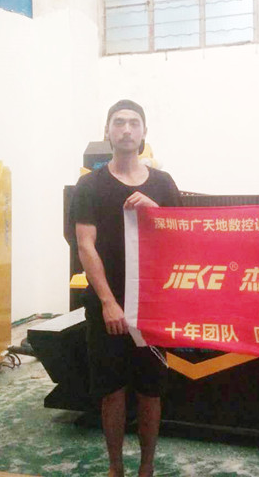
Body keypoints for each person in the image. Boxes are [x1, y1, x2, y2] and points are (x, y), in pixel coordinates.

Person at [72, 99, 180, 477]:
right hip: (108, 307)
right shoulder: (89, 186)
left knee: (151, 390)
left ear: (144, 132)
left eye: (134, 123)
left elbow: (180, 241)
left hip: (153, 306)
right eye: (119, 122)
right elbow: (85, 246)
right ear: (107, 131)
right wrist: (108, 302)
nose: (127, 129)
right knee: (112, 391)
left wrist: (155, 212)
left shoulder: (163, 184)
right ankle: (115, 467)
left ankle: (146, 467)